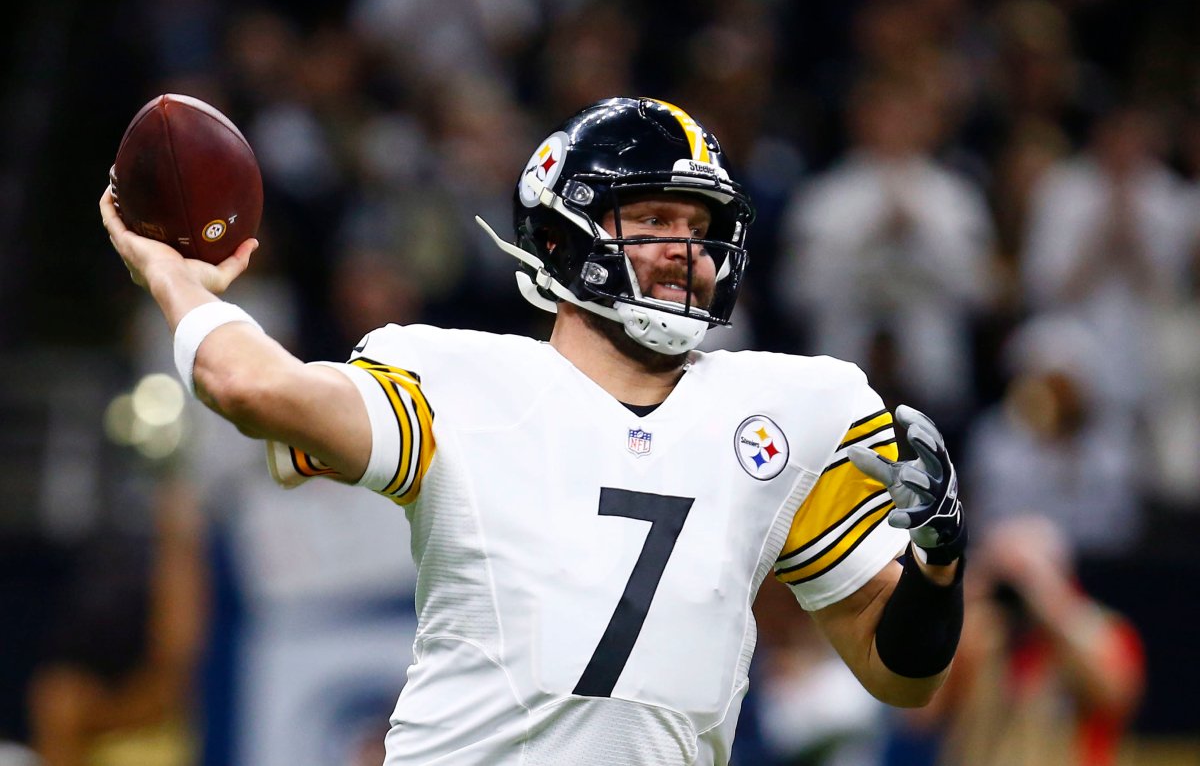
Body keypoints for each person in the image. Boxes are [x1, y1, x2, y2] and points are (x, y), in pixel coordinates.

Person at [100, 96, 968, 766]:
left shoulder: (789, 411)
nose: (685, 250)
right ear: (567, 230)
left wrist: (936, 563)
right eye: (656, 220)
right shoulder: (457, 381)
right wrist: (178, 282)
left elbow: (901, 672)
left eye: (700, 229)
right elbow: (245, 384)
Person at [888, 515, 1144, 766]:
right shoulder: (976, 633)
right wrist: (955, 604)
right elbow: (918, 719)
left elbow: (1116, 699)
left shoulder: (1100, 630)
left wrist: (1049, 606)